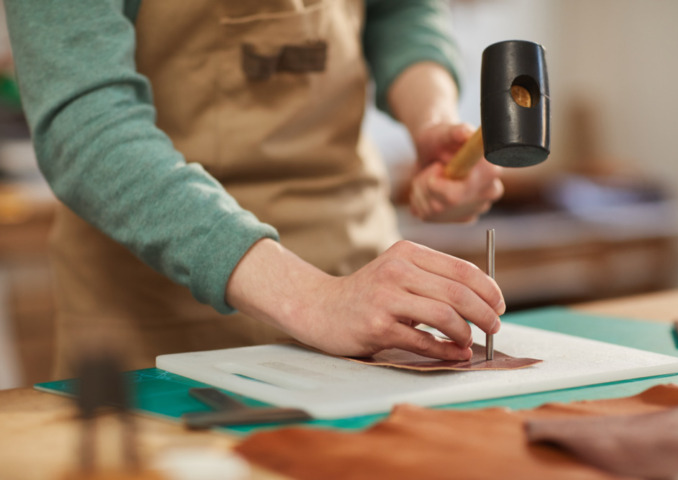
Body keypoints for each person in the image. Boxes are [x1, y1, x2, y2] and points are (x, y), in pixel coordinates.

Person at [4, 0, 505, 377]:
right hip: (154, 314)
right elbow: (89, 128)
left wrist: (432, 121)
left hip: (358, 279)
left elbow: (401, 10)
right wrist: (314, 300)